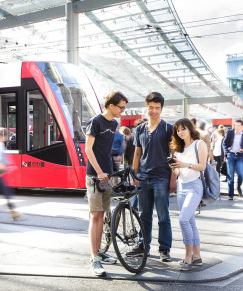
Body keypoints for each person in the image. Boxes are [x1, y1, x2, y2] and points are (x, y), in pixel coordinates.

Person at [84, 91, 128, 277]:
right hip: (95, 176)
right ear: (111, 105)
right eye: (121, 107)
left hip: (107, 176)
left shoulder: (114, 123)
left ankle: (100, 252)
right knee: (95, 216)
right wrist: (99, 172)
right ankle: (95, 259)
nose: (122, 111)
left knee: (103, 215)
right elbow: (88, 149)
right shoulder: (96, 122)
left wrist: (111, 172)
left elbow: (106, 150)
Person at [129, 92, 175, 262]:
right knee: (143, 215)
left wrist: (173, 179)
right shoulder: (139, 128)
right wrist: (134, 174)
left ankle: (164, 249)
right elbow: (137, 154)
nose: (154, 111)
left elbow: (173, 155)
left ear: (161, 109)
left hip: (161, 177)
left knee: (163, 216)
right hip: (143, 177)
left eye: (157, 108)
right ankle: (143, 246)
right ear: (146, 107)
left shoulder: (168, 128)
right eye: (151, 107)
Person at [168, 118, 206, 271]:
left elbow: (202, 166)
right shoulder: (178, 149)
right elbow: (179, 172)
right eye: (178, 130)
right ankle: (197, 257)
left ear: (190, 129)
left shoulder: (199, 144)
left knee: (183, 220)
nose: (180, 132)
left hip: (195, 186)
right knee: (191, 222)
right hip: (182, 186)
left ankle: (187, 256)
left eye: (183, 129)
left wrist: (185, 164)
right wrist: (174, 167)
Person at [222, 120, 243, 200]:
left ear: (242, 126)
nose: (236, 127)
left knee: (241, 174)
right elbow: (224, 143)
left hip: (240, 156)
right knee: (230, 176)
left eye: (238, 125)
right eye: (235, 125)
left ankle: (238, 188)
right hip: (230, 155)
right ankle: (231, 194)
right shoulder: (230, 132)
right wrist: (226, 152)